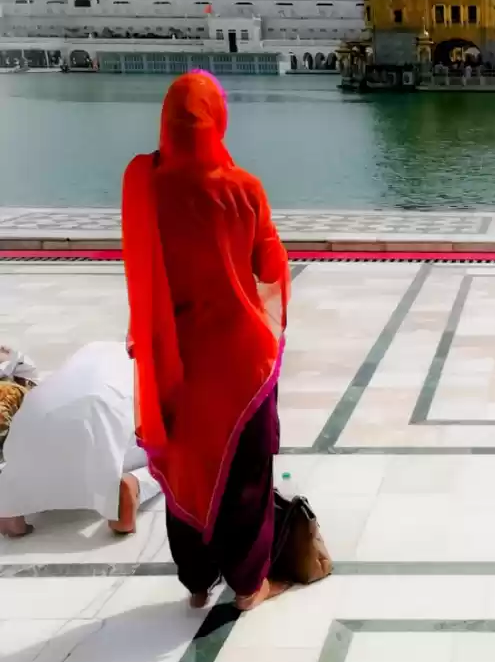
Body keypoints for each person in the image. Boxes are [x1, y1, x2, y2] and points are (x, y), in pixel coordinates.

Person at [121, 71, 290, 611]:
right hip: (240, 356)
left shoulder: (147, 185)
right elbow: (269, 268)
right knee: (245, 473)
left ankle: (196, 582)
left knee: (186, 462)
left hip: (175, 355)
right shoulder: (244, 188)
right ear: (219, 118)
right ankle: (248, 586)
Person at [0, 341, 160, 538]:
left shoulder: (91, 350)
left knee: (27, 458)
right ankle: (135, 484)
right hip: (101, 427)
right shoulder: (147, 362)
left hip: (34, 423)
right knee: (173, 454)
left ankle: (12, 505)